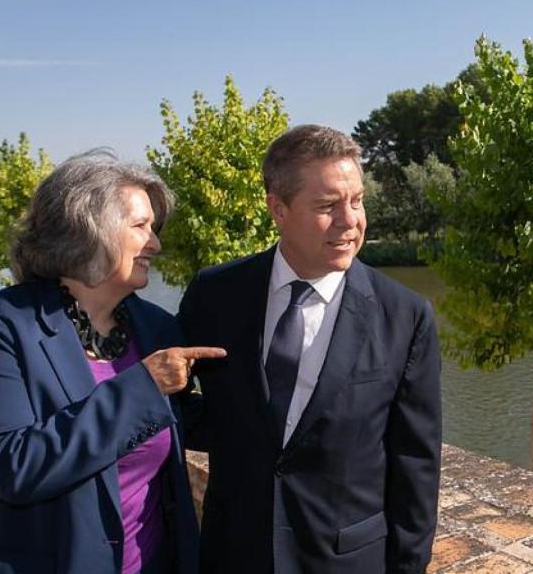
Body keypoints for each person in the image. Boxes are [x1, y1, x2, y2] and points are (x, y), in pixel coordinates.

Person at [0, 149, 225, 574]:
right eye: (141, 227)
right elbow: (12, 466)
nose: (156, 244)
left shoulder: (158, 330)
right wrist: (142, 387)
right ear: (88, 230)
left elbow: (184, 424)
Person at [179, 125, 442, 573]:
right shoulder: (214, 293)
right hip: (233, 552)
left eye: (357, 200)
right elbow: (174, 404)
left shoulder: (406, 315)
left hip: (347, 561)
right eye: (327, 206)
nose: (350, 220)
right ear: (278, 209)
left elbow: (415, 464)